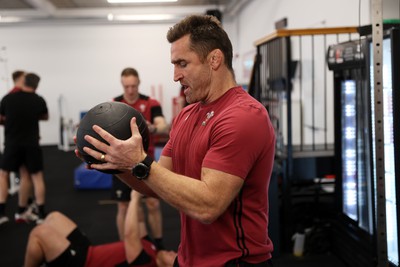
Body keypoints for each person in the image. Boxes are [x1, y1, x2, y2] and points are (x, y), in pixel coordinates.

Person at [79, 14, 275, 267]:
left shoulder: (243, 117)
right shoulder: (187, 115)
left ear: (214, 59)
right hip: (188, 258)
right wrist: (112, 161)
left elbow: (209, 206)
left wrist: (140, 162)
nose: (175, 76)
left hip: (235, 260)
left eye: (182, 63)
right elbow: (153, 183)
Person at [23, 190, 177, 267]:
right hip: (89, 250)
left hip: (83, 262)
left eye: (174, 258)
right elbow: (141, 221)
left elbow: (130, 234)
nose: (173, 252)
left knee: (39, 233)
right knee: (53, 217)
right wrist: (137, 186)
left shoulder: (147, 263)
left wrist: (135, 198)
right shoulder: (152, 248)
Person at [111, 67, 168, 249]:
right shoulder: (115, 104)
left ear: (138, 84)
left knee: (152, 204)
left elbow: (163, 125)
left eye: (133, 86)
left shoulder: (150, 103)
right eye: (127, 86)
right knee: (124, 207)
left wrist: (152, 127)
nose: (130, 90)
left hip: (145, 160)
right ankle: (124, 248)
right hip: (121, 162)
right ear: (122, 84)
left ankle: (158, 246)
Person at [0, 73, 49, 225]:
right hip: (31, 144)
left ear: (23, 82)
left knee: (3, 175)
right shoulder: (38, 100)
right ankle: (39, 214)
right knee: (34, 177)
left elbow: (1, 119)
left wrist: (11, 121)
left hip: (12, 144)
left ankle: (3, 213)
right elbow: (45, 117)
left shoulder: (8, 99)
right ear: (36, 85)